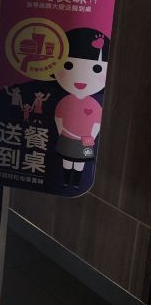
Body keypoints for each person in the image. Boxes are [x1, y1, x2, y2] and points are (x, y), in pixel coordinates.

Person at [51, 28, 109, 189]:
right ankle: (66, 181)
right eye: (68, 65)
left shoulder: (94, 104)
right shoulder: (65, 101)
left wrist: (90, 137)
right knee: (66, 160)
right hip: (68, 137)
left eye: (96, 69)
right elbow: (58, 119)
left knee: (80, 163)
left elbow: (97, 124)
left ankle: (75, 183)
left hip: (84, 139)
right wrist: (63, 133)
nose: (81, 77)